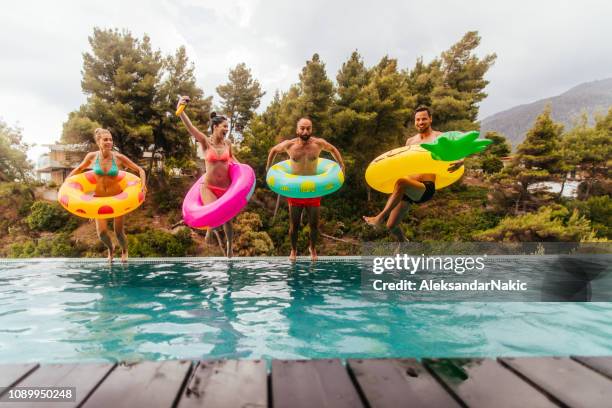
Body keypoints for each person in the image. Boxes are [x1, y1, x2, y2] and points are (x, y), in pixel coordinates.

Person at [363, 106, 462, 241]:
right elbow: (406, 163)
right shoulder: (410, 141)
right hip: (408, 189)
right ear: (415, 121)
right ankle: (404, 242)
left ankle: (378, 218)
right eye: (418, 119)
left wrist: (461, 160)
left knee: (401, 182)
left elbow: (459, 148)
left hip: (426, 187)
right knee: (391, 225)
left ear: (430, 119)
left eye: (424, 119)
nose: (421, 122)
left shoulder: (439, 137)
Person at [266, 117, 345, 261]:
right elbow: (273, 151)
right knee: (294, 225)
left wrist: (341, 164)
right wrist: (268, 167)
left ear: (311, 129)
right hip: (295, 191)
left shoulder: (318, 144)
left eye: (308, 128)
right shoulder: (289, 145)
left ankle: (312, 249)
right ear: (297, 129)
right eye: (302, 128)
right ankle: (294, 250)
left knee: (314, 225)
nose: (305, 131)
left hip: (314, 191)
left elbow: (333, 149)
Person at [68, 128, 147, 263]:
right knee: (102, 234)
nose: (109, 142)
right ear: (98, 142)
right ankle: (111, 249)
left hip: (118, 199)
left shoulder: (118, 157)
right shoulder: (92, 157)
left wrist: (143, 185)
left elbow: (140, 170)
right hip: (99, 199)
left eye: (110, 139)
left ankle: (124, 250)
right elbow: (80, 168)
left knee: (118, 232)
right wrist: (67, 181)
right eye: (105, 140)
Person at [177, 95, 239, 257]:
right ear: (215, 126)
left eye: (227, 127)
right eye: (224, 127)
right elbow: (190, 128)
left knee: (228, 221)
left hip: (225, 188)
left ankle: (229, 246)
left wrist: (245, 171)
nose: (226, 130)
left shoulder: (228, 144)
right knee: (213, 214)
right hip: (209, 187)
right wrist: (181, 111)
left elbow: (233, 160)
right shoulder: (205, 142)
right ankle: (210, 231)